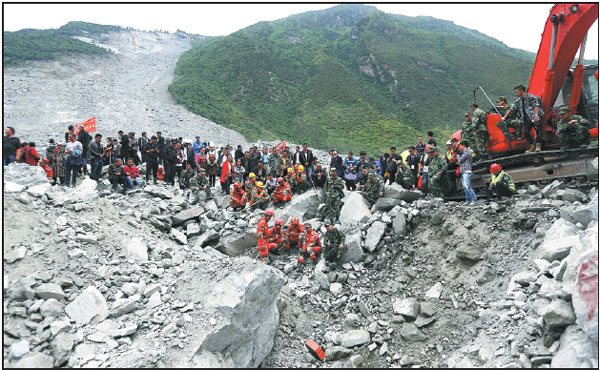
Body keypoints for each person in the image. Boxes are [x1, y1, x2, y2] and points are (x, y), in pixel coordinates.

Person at [502, 85, 544, 152]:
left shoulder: (531, 97)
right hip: (526, 119)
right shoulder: (518, 100)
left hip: (534, 117)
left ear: (521, 91)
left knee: (538, 131)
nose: (516, 94)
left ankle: (538, 146)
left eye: (516, 92)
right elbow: (511, 108)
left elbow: (536, 106)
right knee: (526, 132)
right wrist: (505, 117)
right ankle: (532, 145)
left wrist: (536, 116)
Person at [456, 141, 477, 205]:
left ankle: (474, 200)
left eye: (461, 146)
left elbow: (459, 161)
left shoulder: (467, 152)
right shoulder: (465, 152)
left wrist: (458, 155)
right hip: (463, 171)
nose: (460, 147)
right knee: (465, 187)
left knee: (467, 186)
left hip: (466, 171)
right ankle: (468, 200)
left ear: (463, 145)